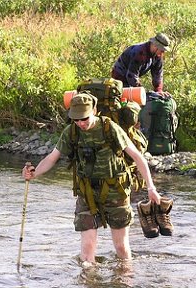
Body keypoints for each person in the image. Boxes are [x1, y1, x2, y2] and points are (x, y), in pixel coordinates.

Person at [22, 92, 162, 264]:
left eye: (84, 118)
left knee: (121, 248)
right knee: (87, 253)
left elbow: (137, 157)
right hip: (87, 194)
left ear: (94, 110)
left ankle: (125, 280)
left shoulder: (110, 129)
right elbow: (52, 157)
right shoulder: (71, 132)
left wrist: (151, 188)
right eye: (76, 119)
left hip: (115, 192)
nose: (81, 123)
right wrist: (34, 173)